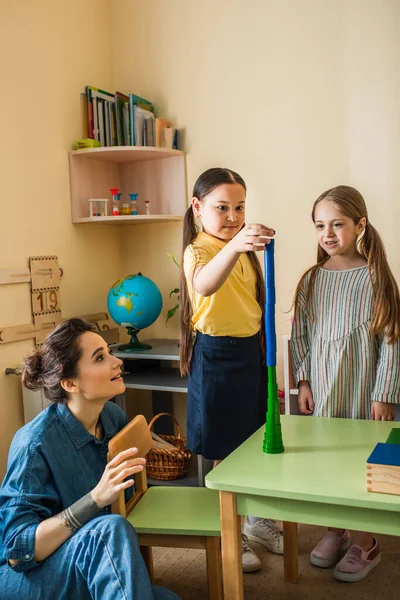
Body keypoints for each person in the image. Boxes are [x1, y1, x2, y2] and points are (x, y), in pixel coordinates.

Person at [0, 318, 180, 600]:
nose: (116, 362)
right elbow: (17, 552)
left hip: (87, 560)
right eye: (100, 358)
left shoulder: (113, 417)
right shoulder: (34, 444)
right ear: (70, 383)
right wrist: (96, 498)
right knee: (108, 530)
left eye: (109, 352)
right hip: (29, 578)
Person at [291, 185, 400, 583]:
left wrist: (384, 394)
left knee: (362, 463)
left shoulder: (376, 278)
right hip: (323, 389)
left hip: (364, 389)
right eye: (320, 225)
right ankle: (336, 529)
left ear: (360, 225)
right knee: (327, 459)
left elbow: (391, 338)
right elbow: (300, 335)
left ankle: (366, 541)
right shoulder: (311, 280)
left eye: (337, 223)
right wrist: (302, 381)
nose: (328, 233)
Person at [180, 167, 283, 573]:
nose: (232, 216)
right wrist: (237, 244)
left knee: (254, 439)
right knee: (225, 448)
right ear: (198, 207)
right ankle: (231, 530)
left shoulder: (238, 250)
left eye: (239, 207)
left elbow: (250, 302)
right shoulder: (199, 249)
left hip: (249, 353)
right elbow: (205, 285)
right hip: (216, 356)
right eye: (221, 208)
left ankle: (258, 521)